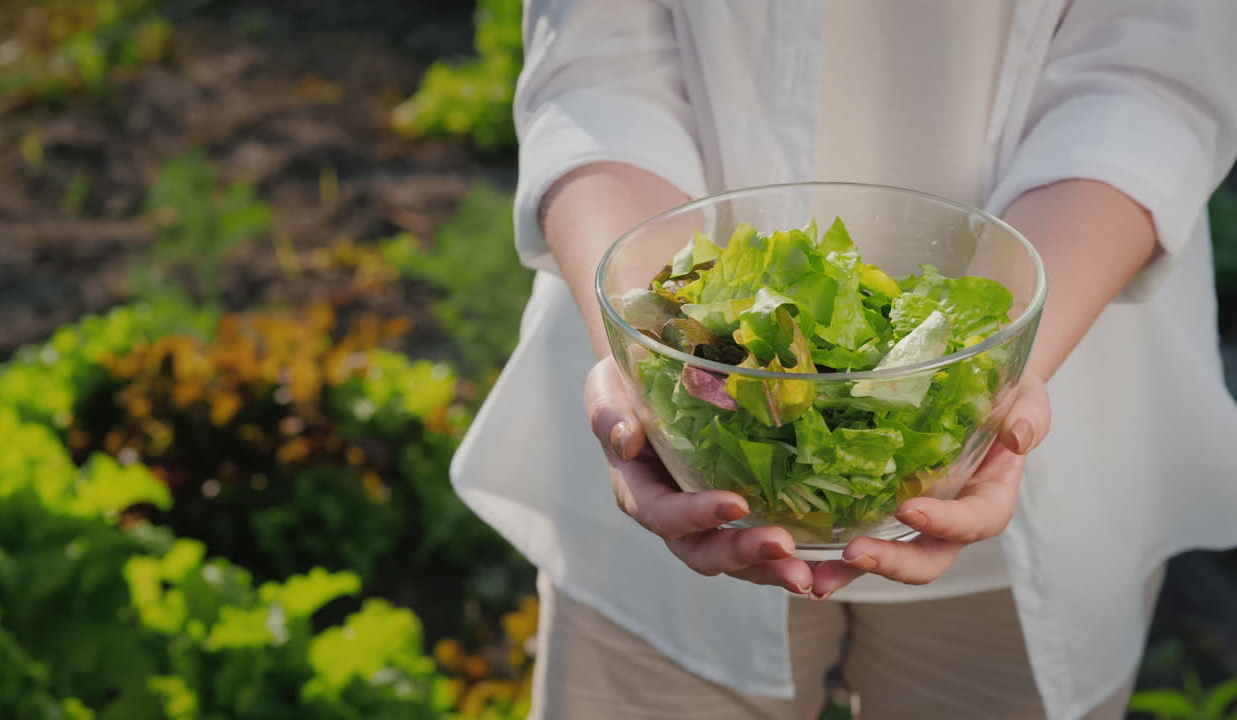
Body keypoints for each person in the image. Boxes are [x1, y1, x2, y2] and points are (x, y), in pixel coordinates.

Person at [451, 2, 1237, 718]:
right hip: (678, 458)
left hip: (1056, 381)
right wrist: (650, 340)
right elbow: (598, 59)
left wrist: (977, 379)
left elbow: (1152, 66)